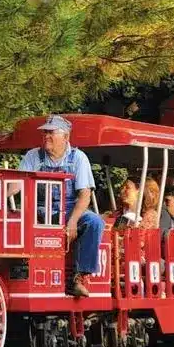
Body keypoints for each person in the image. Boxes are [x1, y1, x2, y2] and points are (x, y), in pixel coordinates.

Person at [18, 115, 104, 297]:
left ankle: (78, 278)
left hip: (69, 210)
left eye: (51, 133)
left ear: (66, 137)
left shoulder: (78, 158)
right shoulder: (33, 156)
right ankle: (18, 272)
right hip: (39, 211)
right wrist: (4, 193)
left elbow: (85, 195)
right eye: (45, 133)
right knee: (13, 220)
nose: (46, 136)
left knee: (94, 222)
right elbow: (16, 184)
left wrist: (72, 222)